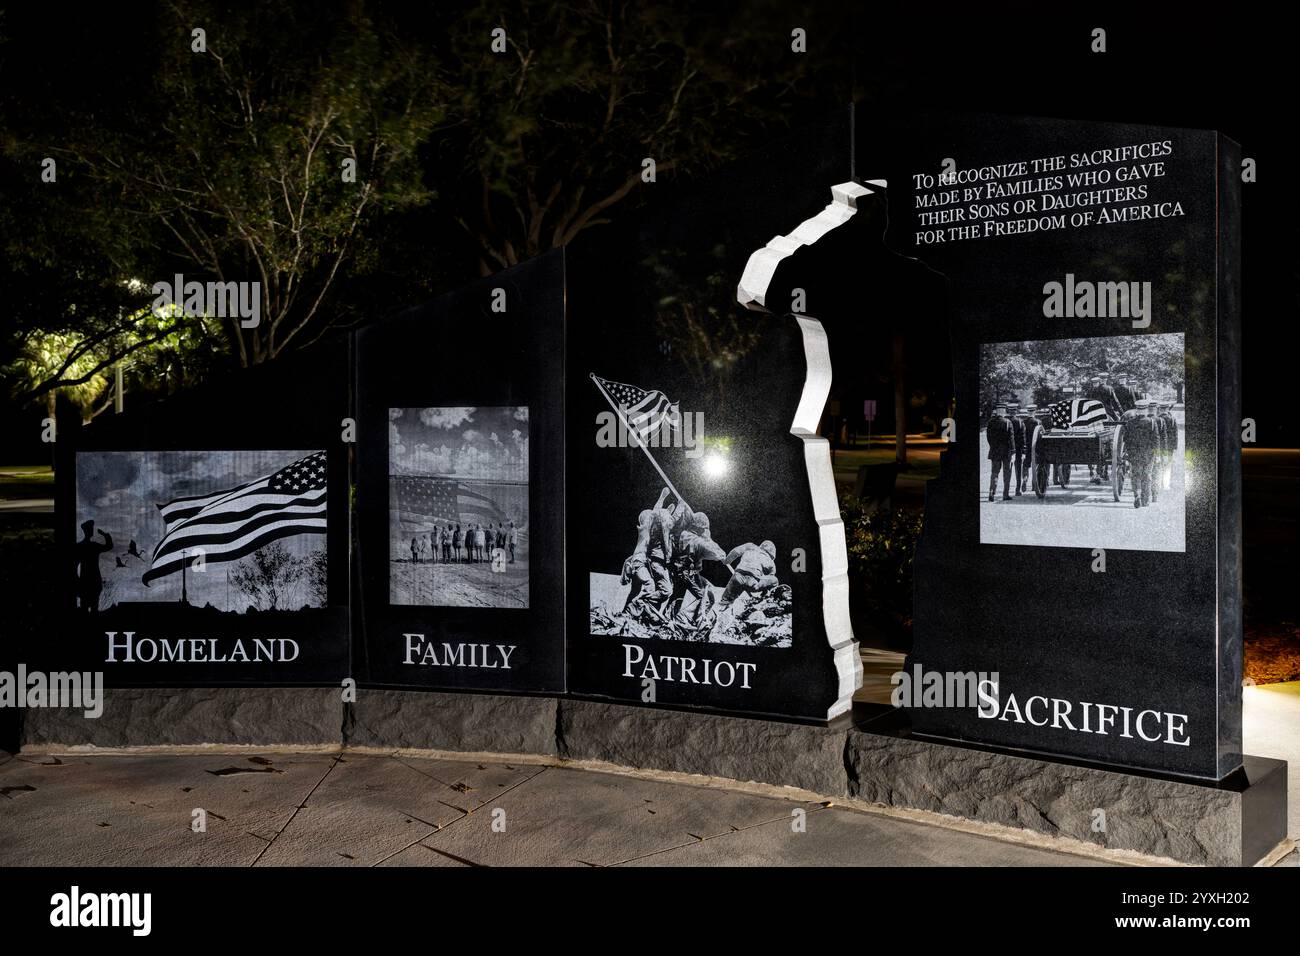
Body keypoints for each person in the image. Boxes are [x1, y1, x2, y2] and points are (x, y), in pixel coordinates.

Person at [717, 540, 780, 620]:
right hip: (752, 583)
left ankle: (721, 610)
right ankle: (767, 598)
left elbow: (736, 551)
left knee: (726, 601)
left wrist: (727, 561)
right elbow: (770, 576)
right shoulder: (770, 561)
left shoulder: (750, 546)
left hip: (737, 578)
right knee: (774, 580)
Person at [1122, 400, 1158, 508]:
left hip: (1134, 454)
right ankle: (1145, 500)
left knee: (1136, 475)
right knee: (1147, 476)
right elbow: (1156, 440)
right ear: (1146, 409)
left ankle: (1136, 495)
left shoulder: (1130, 423)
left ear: (1137, 410)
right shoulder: (1151, 422)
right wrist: (1157, 455)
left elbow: (1126, 439)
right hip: (1148, 454)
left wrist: (1129, 452)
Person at [75, 519, 113, 614]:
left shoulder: (79, 546)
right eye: (90, 529)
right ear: (87, 531)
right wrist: (105, 535)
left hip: (85, 581)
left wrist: (77, 580)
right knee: (93, 608)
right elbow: (108, 546)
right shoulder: (93, 546)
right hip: (93, 581)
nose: (92, 531)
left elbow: (75, 565)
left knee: (86, 607)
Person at [986, 403, 1014, 502]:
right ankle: (1005, 494)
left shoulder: (990, 422)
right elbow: (1011, 439)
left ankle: (991, 492)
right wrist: (1013, 451)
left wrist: (993, 447)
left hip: (995, 451)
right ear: (1004, 411)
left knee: (994, 473)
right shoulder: (1008, 422)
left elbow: (988, 437)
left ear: (997, 411)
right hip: (1006, 452)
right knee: (1007, 474)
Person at [1018, 405, 1038, 493]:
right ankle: (1034, 485)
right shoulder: (1038, 422)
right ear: (1035, 412)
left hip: (1026, 448)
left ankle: (1025, 479)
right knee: (1036, 466)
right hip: (1035, 447)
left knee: (1026, 465)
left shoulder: (1023, 422)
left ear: (1027, 412)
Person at [1007, 402, 1026, 497]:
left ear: (1009, 411)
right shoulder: (1019, 421)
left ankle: (1006, 490)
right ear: (1016, 411)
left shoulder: (1005, 421)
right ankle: (1017, 490)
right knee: (1018, 470)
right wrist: (1023, 451)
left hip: (1007, 449)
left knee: (1007, 470)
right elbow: (1023, 438)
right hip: (1018, 449)